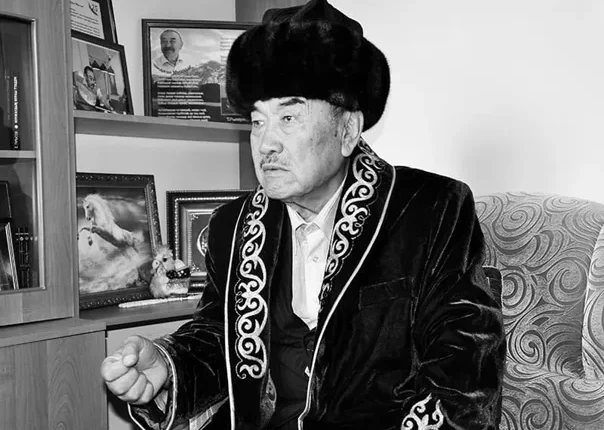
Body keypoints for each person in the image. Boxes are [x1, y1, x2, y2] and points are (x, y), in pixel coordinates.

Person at [101, 1, 506, 429]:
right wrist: (168, 368)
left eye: (289, 117)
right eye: (258, 121)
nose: (266, 144)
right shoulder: (231, 227)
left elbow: (464, 374)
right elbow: (217, 339)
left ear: (347, 130)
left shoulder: (431, 209)